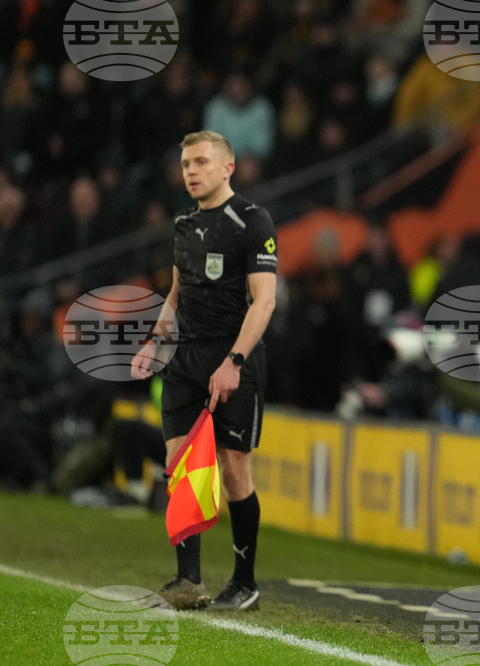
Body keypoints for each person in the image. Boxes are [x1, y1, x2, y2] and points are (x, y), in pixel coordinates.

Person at [132, 130, 277, 612]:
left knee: (234, 470)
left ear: (227, 168)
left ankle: (245, 582)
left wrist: (234, 362)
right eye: (186, 164)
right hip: (183, 360)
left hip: (233, 359)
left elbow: (265, 301)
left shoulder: (253, 222)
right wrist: (154, 341)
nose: (190, 171)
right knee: (179, 465)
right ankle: (187, 580)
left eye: (200, 162)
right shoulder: (183, 224)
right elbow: (177, 294)